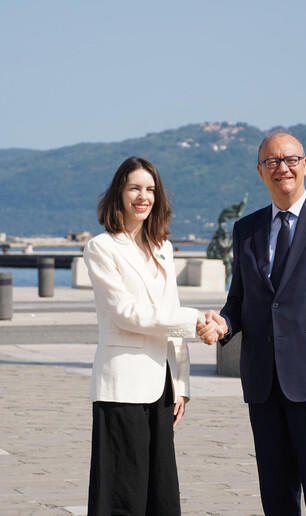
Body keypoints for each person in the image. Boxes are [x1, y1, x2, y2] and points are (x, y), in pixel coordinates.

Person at [198, 132, 306, 515]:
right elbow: (239, 301)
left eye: (290, 160)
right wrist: (222, 324)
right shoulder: (247, 229)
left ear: (305, 165)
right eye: (272, 162)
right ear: (260, 172)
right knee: (276, 499)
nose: (282, 168)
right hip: (263, 384)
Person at [84, 156, 220, 515]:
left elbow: (169, 310)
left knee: (161, 493)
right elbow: (126, 314)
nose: (143, 196)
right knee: (122, 494)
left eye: (150, 189)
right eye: (134, 188)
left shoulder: (163, 247)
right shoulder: (102, 248)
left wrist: (182, 384)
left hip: (162, 385)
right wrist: (196, 321)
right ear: (119, 193)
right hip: (122, 385)